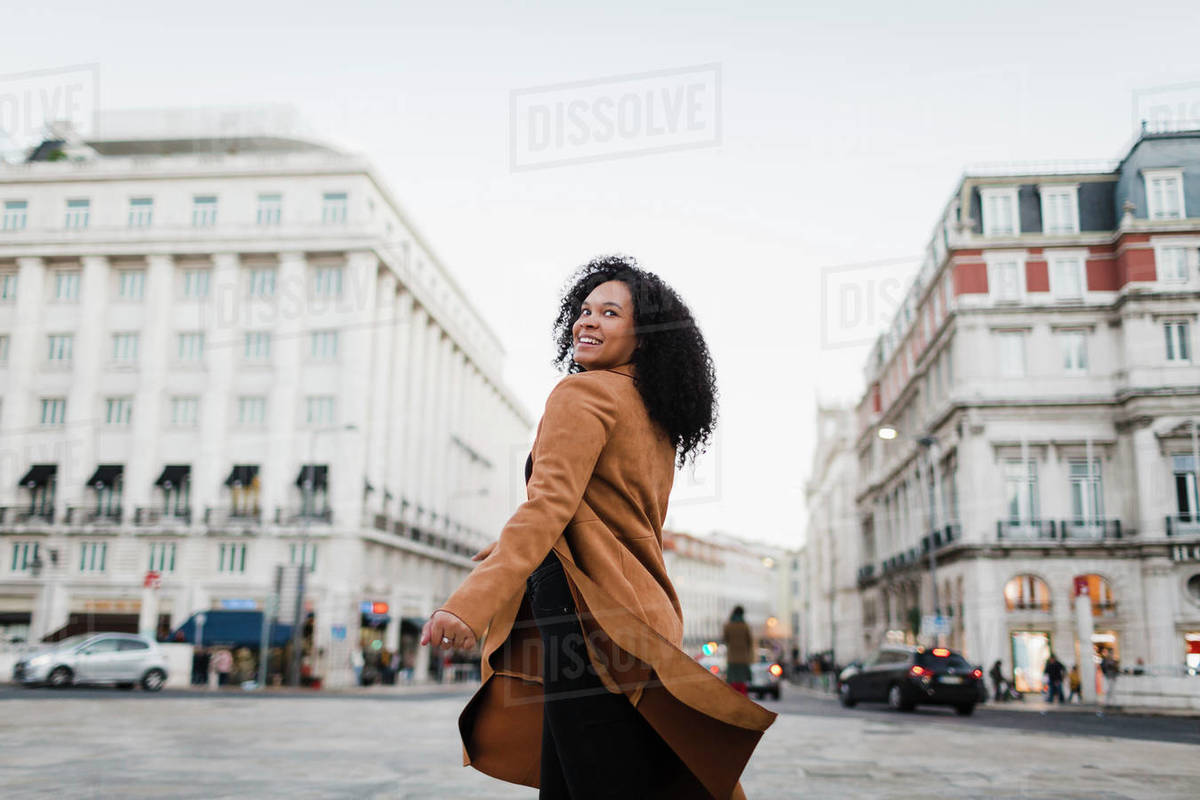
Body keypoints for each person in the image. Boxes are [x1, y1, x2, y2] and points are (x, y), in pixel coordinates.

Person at [420, 256, 775, 799]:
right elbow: (609, 513)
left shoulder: (582, 393)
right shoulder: (655, 414)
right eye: (584, 310)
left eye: (610, 313)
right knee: (584, 775)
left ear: (645, 334)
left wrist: (469, 603)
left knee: (596, 778)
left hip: (585, 611)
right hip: (641, 612)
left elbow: (549, 507)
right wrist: (514, 547)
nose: (587, 322)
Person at [723, 606, 754, 696]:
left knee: (732, 682)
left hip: (732, 659)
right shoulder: (745, 626)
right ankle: (742, 701)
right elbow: (750, 642)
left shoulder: (728, 626)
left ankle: (733, 699)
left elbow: (725, 639)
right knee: (742, 682)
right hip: (743, 659)